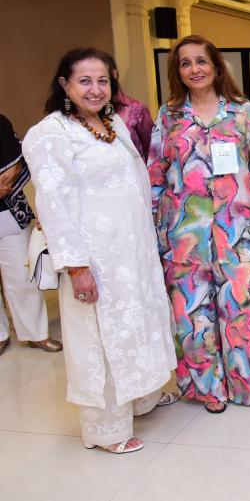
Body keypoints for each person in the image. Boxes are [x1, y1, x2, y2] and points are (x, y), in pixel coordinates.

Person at [22, 48, 176, 454]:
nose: (95, 89)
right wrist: (76, 267)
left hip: (131, 254)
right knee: (100, 338)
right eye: (85, 81)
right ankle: (106, 430)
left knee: (136, 325)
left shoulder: (112, 124)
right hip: (95, 259)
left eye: (103, 80)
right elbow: (53, 204)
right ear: (65, 85)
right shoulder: (51, 133)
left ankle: (141, 397)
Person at [148, 35, 250, 414]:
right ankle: (207, 389)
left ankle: (249, 386)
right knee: (193, 317)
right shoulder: (169, 117)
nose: (195, 69)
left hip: (240, 234)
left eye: (201, 61)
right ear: (178, 71)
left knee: (245, 312)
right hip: (184, 236)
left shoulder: (243, 113)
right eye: (185, 63)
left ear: (216, 66)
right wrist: (153, 230)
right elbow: (155, 176)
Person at [0, 114, 63, 356]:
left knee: (21, 275)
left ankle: (36, 333)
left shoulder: (0, 123)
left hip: (7, 211)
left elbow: (14, 166)